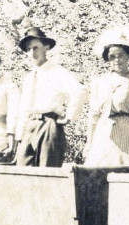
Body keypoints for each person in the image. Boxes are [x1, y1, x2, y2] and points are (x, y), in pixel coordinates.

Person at [14, 27, 87, 167]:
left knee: (47, 172)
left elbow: (79, 91)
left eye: (36, 48)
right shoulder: (28, 78)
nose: (32, 53)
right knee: (22, 172)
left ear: (46, 48)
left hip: (48, 125)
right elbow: (23, 108)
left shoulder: (57, 72)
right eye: (28, 49)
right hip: (29, 126)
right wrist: (19, 135)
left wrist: (69, 117)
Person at [84, 26, 129, 166]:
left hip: (126, 132)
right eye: (112, 57)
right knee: (97, 171)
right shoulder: (100, 82)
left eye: (121, 55)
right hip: (102, 133)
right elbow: (93, 115)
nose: (117, 60)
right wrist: (89, 142)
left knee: (125, 171)